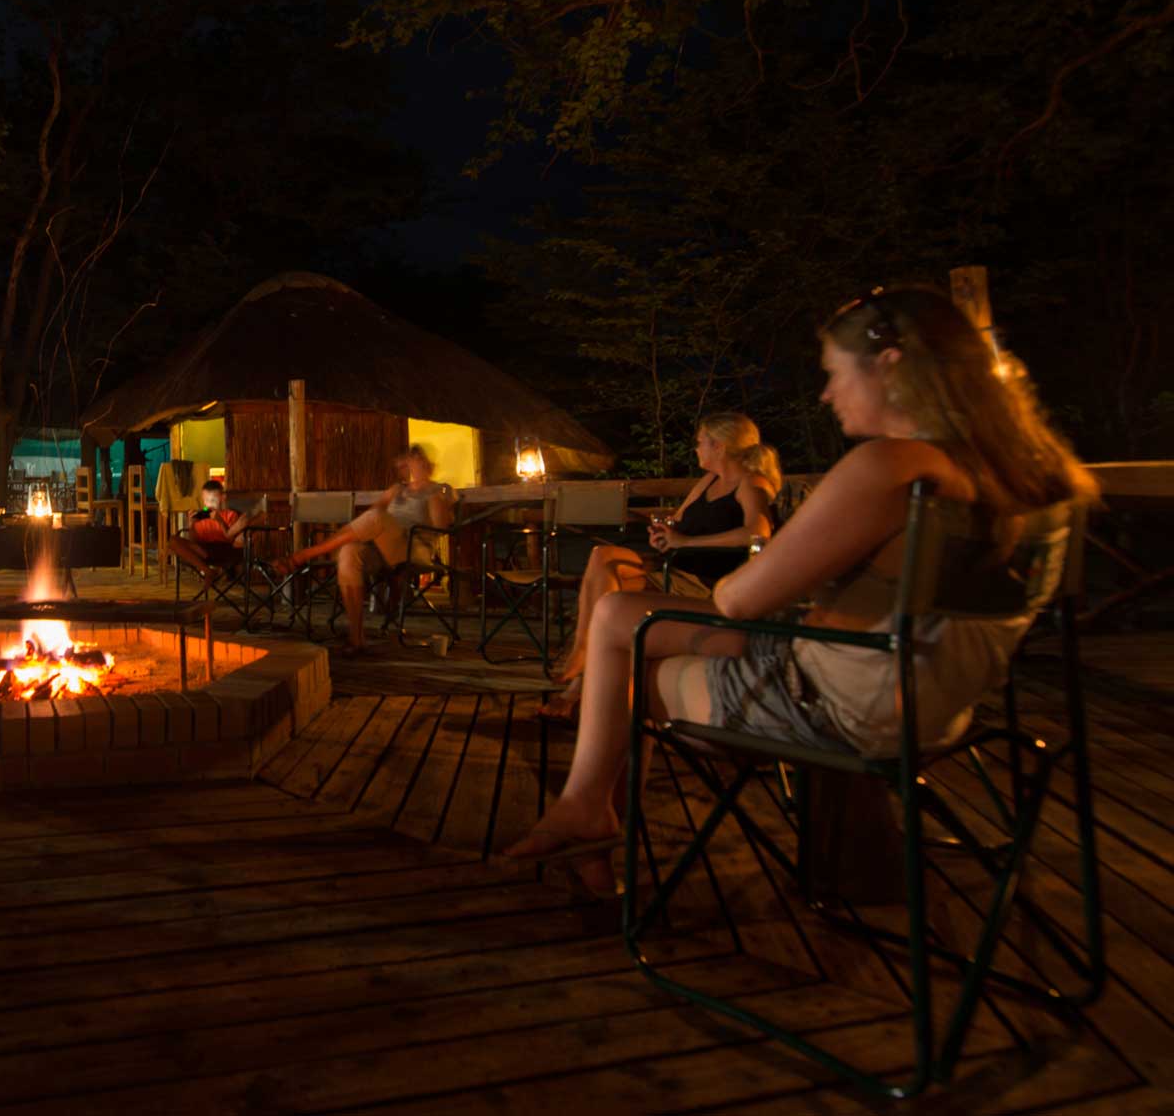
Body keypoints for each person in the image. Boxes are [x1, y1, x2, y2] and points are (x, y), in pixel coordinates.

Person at [502, 288, 1097, 886]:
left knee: (624, 671)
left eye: (834, 374)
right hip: (940, 709)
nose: (826, 393)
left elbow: (737, 600)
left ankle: (590, 818)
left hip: (835, 708)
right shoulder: (1039, 477)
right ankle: (587, 814)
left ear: (889, 368)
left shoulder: (891, 467)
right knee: (621, 614)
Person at [538, 413, 781, 721]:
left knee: (610, 598)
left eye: (700, 443)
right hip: (675, 573)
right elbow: (676, 520)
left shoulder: (750, 483)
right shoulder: (709, 481)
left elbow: (758, 532)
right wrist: (665, 534)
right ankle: (583, 660)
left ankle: (579, 684)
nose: (696, 449)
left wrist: (684, 543)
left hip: (706, 585)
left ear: (718, 446)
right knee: (604, 556)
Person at [276, 445, 455, 654]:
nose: (414, 464)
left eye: (418, 459)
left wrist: (437, 501)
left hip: (414, 548)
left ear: (428, 465)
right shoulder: (397, 489)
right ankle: (356, 636)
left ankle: (306, 554)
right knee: (348, 552)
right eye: (411, 459)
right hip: (385, 547)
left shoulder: (436, 491)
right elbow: (370, 516)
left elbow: (440, 529)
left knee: (377, 518)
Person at [168, 478, 252, 581]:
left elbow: (231, 539)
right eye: (206, 501)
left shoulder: (231, 514)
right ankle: (208, 571)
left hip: (225, 550)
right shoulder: (201, 517)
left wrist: (219, 521)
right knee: (173, 540)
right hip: (204, 551)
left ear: (222, 498)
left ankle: (209, 572)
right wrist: (191, 524)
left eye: (212, 500)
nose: (209, 504)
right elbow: (194, 541)